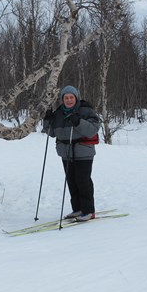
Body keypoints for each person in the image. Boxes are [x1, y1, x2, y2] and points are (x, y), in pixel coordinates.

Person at [42, 85, 101, 221]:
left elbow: (93, 129)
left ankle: (88, 211)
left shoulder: (85, 110)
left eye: (71, 97)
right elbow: (51, 133)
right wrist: (47, 120)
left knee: (83, 181)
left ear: (76, 98)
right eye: (66, 98)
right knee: (72, 181)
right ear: (62, 99)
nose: (69, 100)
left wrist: (78, 121)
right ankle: (77, 209)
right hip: (65, 152)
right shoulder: (58, 113)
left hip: (83, 151)